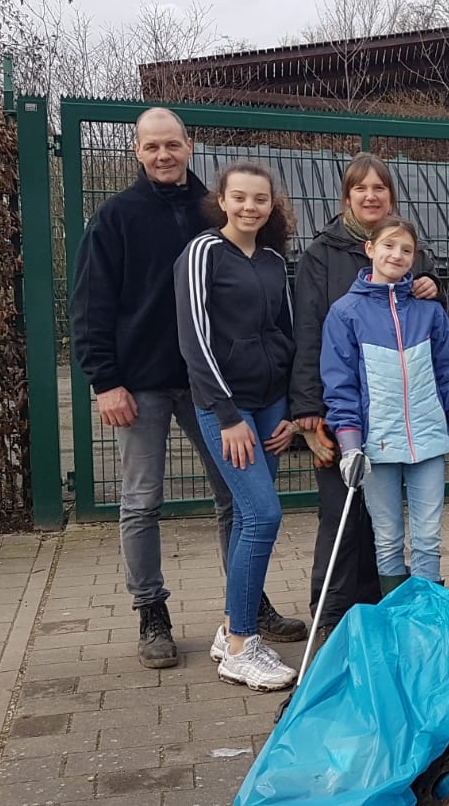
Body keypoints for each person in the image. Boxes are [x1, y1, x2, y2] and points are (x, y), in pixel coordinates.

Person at [69, 108, 304, 671]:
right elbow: (90, 303)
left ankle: (243, 607)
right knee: (142, 501)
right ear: (137, 152)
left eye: (172, 143)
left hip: (213, 385)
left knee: (238, 501)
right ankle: (152, 612)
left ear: (189, 146)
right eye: (152, 146)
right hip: (144, 382)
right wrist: (106, 379)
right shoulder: (117, 216)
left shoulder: (217, 211)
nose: (163, 154)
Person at [289, 154, 445, 649]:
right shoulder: (321, 253)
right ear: (347, 196)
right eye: (362, 188)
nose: (372, 195)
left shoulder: (410, 251)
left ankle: (384, 611)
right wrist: (309, 410)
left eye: (381, 187)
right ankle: (331, 615)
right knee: (342, 514)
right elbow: (309, 331)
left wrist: (430, 284)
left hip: (403, 419)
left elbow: (424, 312)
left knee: (388, 525)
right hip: (341, 410)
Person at [174, 162, 299, 691]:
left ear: (273, 205)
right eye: (240, 198)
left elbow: (286, 332)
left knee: (248, 519)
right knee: (263, 515)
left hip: (271, 406)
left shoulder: (273, 259)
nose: (251, 207)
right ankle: (245, 647)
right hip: (226, 409)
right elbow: (194, 339)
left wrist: (291, 410)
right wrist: (227, 416)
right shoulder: (202, 253)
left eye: (261, 199)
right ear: (221, 201)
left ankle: (231, 631)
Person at [324, 216, 449, 592]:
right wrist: (350, 447)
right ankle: (397, 616)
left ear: (415, 258)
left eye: (406, 249)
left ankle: (426, 614)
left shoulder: (430, 311)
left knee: (428, 539)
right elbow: (340, 385)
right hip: (376, 447)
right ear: (370, 249)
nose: (397, 254)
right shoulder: (345, 313)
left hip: (427, 442)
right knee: (388, 539)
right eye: (389, 245)